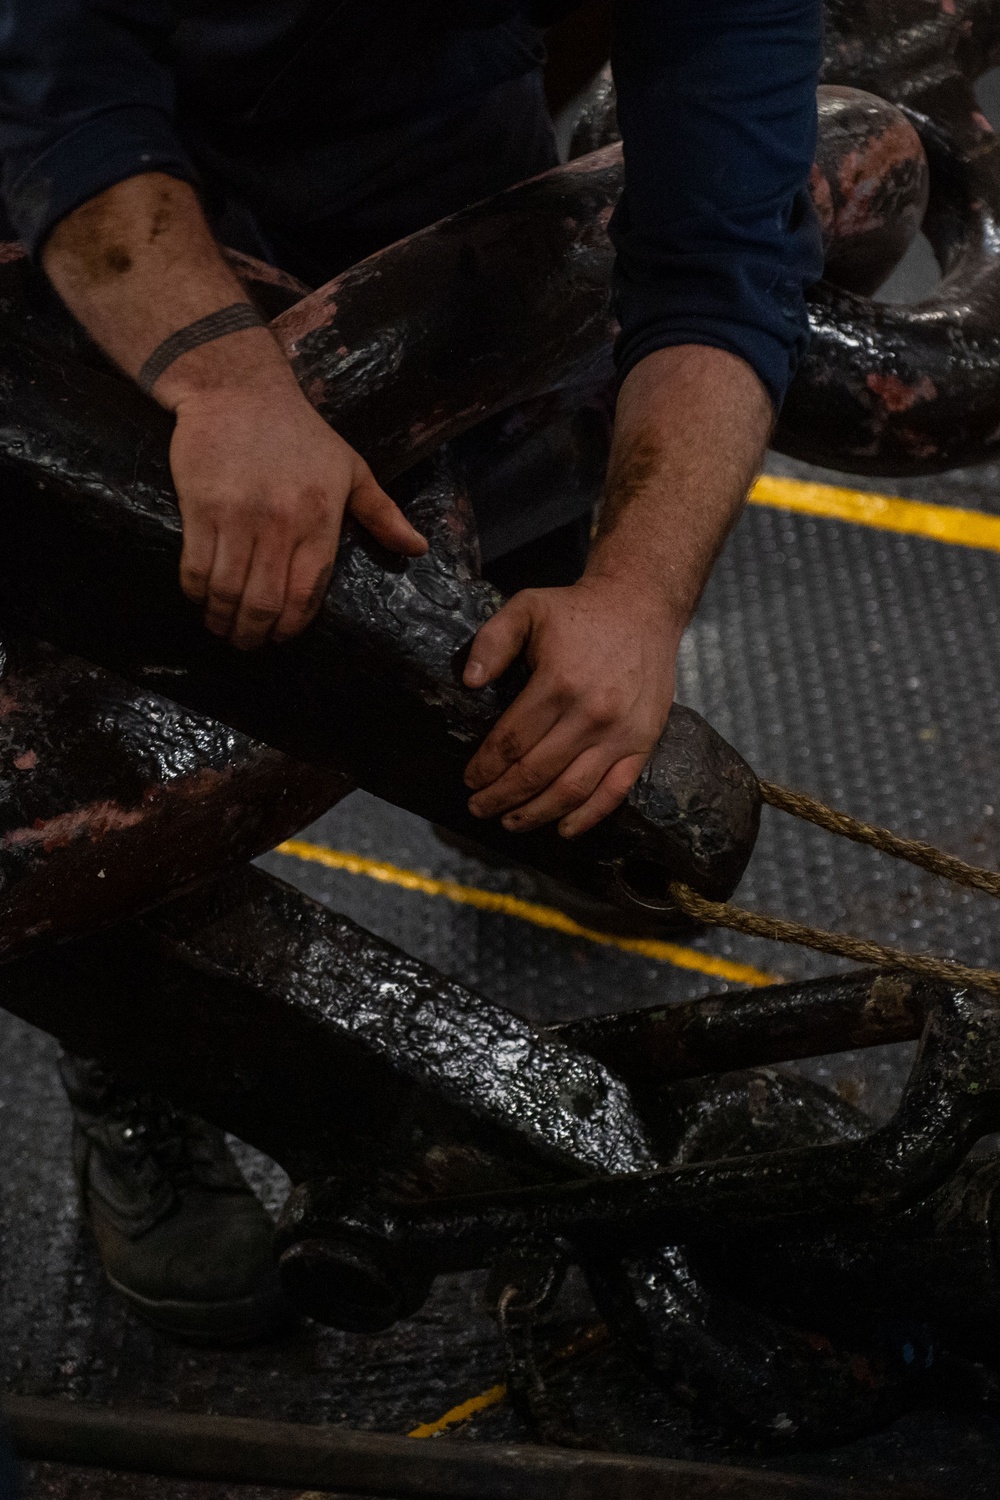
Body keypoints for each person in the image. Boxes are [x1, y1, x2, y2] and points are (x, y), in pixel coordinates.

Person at [0, 1, 824, 1343]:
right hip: (85, 162)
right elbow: (58, 69)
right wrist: (221, 382)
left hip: (416, 132)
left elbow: (725, 245)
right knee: (120, 656)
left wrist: (635, 597)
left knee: (520, 510)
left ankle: (496, 777)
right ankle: (137, 1051)